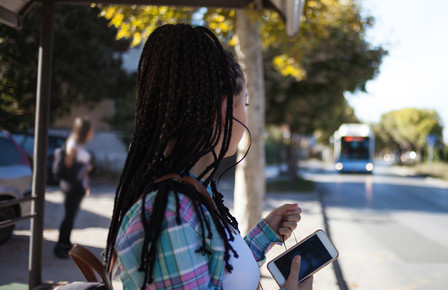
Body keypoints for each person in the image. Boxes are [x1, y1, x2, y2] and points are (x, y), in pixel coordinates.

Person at [103, 24, 313, 290]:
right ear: (226, 110)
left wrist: (264, 234)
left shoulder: (189, 193)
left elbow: (219, 272)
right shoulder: (172, 215)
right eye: (244, 103)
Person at [54, 116, 94, 258]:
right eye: (90, 130)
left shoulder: (80, 146)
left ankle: (66, 242)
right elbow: (69, 170)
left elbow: (83, 171)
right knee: (69, 216)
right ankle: (61, 244)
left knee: (71, 216)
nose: (92, 133)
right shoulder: (72, 145)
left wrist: (86, 184)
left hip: (79, 188)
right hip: (72, 188)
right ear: (84, 131)